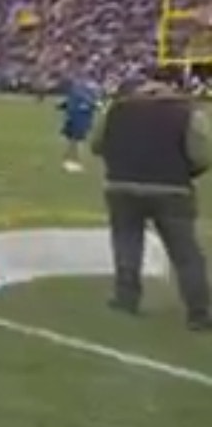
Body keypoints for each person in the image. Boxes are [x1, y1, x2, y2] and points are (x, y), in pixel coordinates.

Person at [90, 65, 211, 332]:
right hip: (171, 188)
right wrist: (184, 172)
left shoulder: (118, 108)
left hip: (121, 184)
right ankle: (199, 313)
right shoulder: (186, 112)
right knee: (186, 254)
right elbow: (201, 155)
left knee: (127, 245)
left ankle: (126, 299)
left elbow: (96, 144)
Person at [57, 77, 99, 173]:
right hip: (74, 119)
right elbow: (71, 104)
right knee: (72, 139)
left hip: (78, 119)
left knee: (76, 140)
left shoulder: (78, 93)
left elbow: (89, 103)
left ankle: (75, 162)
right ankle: (70, 161)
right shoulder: (75, 93)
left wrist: (88, 107)